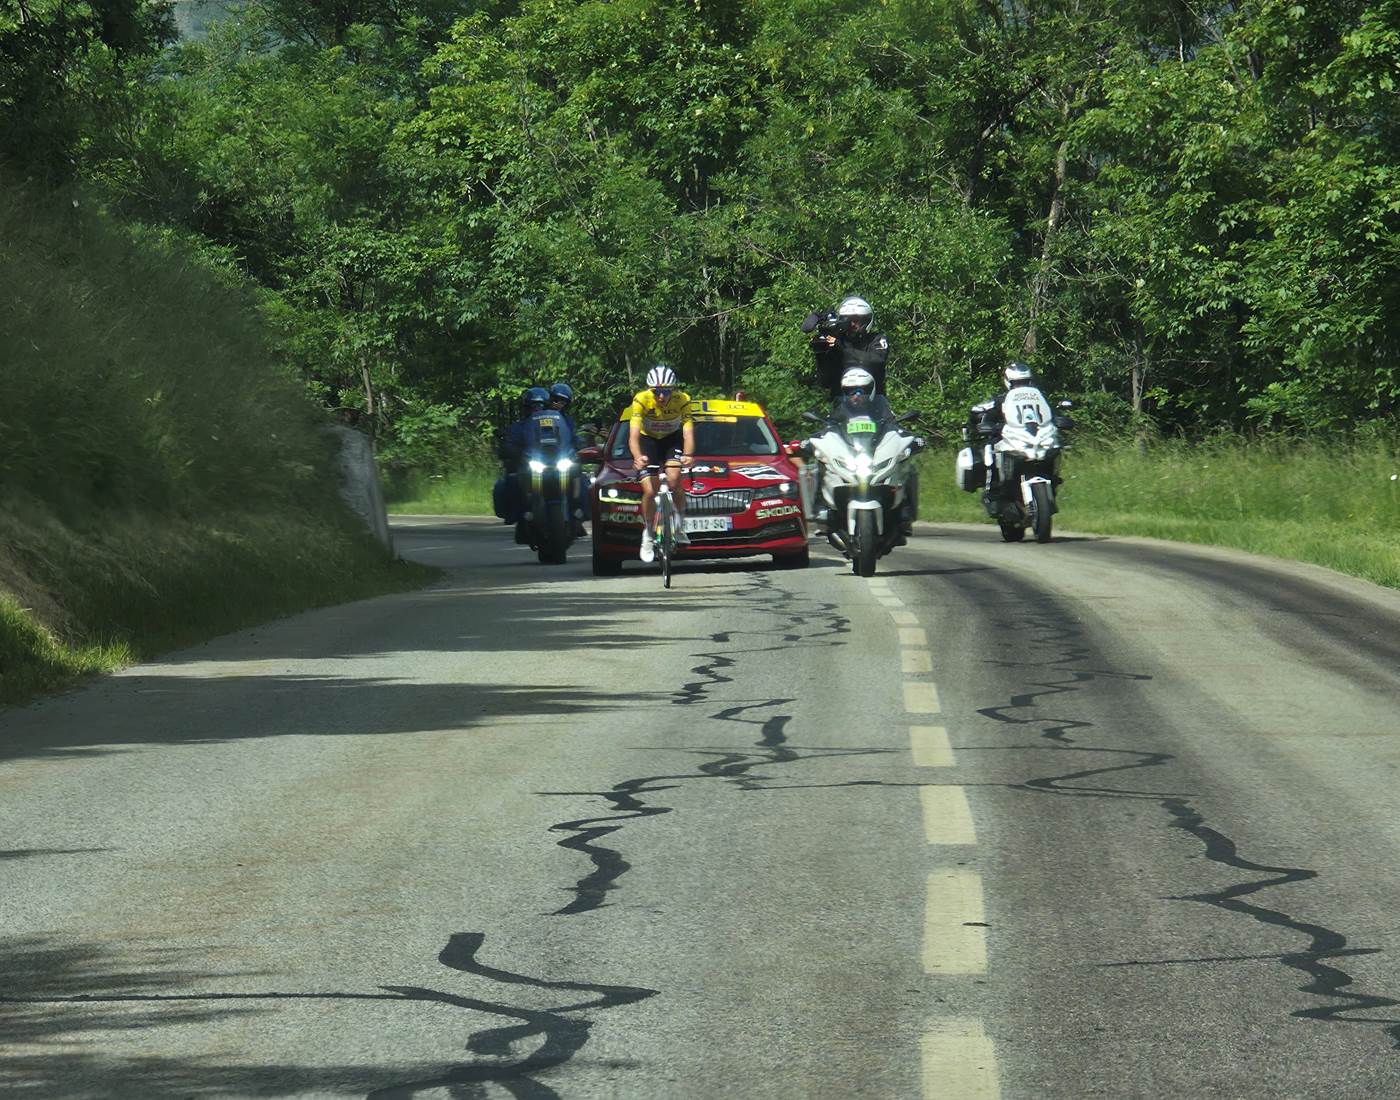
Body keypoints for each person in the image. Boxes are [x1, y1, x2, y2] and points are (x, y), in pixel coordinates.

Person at [625, 364, 695, 563]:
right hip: (648, 442)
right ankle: (647, 533)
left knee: (674, 482)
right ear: (650, 390)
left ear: (673, 390)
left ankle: (680, 527)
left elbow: (688, 432)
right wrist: (637, 456)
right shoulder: (641, 399)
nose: (661, 397)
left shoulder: (683, 400)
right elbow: (633, 436)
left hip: (671, 440)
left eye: (666, 391)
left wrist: (689, 454)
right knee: (649, 490)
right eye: (656, 392)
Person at [967, 361, 1055, 499]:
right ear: (1009, 382)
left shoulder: (1039, 398)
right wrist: (982, 420)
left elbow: (1049, 414)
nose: (1022, 386)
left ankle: (1052, 480)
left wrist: (1058, 420)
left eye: (1025, 382)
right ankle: (992, 490)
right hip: (1009, 438)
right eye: (1017, 383)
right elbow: (981, 411)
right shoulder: (1001, 400)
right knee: (989, 449)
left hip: (1036, 438)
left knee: (1055, 447)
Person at [800, 295, 890, 397]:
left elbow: (877, 360)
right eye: (847, 320)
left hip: (875, 404)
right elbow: (825, 382)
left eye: (856, 320)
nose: (852, 324)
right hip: (842, 405)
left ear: (866, 320)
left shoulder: (876, 339)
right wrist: (822, 355)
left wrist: (842, 350)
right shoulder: (838, 341)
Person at [548, 382, 587, 536]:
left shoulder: (567, 421)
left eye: (563, 402)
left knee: (579, 475)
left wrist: (579, 444)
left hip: (561, 459)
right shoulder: (537, 417)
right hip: (542, 460)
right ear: (549, 399)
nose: (559, 404)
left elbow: (573, 437)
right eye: (556, 400)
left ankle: (577, 510)